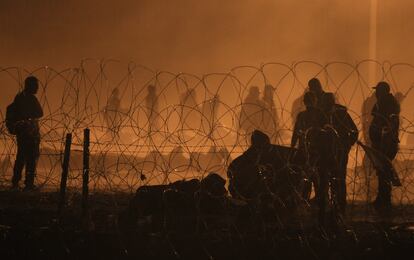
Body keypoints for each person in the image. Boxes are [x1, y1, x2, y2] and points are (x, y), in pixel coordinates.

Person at [321, 92, 358, 214]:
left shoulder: (340, 114)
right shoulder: (325, 114)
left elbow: (354, 131)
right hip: (329, 151)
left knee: (338, 176)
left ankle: (340, 203)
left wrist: (347, 145)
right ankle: (335, 202)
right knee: (334, 176)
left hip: (339, 151)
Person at [369, 81, 400, 211]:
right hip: (381, 141)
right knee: (382, 170)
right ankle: (382, 198)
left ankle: (384, 199)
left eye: (377, 90)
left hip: (385, 142)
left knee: (384, 170)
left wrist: (383, 138)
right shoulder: (385, 102)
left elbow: (388, 123)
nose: (375, 93)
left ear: (382, 91)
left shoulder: (388, 103)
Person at [11, 76, 43, 190]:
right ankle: (28, 183)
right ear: (30, 86)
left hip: (22, 133)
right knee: (30, 158)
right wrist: (29, 118)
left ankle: (16, 181)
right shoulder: (30, 98)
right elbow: (40, 113)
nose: (37, 88)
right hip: (30, 133)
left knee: (21, 157)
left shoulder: (19, 97)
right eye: (35, 85)